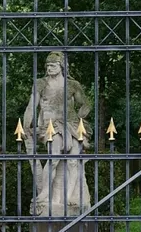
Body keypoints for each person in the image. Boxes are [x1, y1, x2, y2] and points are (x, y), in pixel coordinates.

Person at [22, 52, 92, 217]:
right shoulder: (40, 83)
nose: (49, 68)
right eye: (47, 65)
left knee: (74, 161)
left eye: (53, 65)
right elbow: (32, 106)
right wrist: (26, 126)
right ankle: (46, 193)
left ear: (61, 66)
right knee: (53, 159)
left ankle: (70, 197)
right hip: (51, 127)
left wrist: (81, 116)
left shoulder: (73, 85)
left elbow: (85, 104)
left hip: (73, 125)